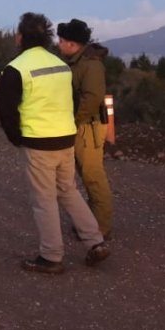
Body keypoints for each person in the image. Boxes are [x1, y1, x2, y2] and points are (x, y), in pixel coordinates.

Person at [0, 12, 110, 274]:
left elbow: (6, 110)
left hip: (39, 142)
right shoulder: (61, 65)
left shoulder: (16, 68)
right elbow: (73, 101)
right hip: (66, 138)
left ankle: (51, 256)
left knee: (44, 200)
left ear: (21, 37)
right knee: (68, 191)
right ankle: (95, 241)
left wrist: (16, 138)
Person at [57, 18, 114, 239]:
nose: (59, 44)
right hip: (82, 125)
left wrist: (73, 121)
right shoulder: (78, 62)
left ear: (72, 44)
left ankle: (100, 228)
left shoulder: (90, 65)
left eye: (62, 41)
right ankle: (91, 222)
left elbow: (92, 98)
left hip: (88, 126)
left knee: (93, 176)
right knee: (87, 175)